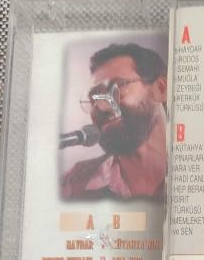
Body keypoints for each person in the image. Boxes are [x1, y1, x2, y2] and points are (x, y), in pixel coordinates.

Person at [61, 43, 167, 199]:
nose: (101, 106)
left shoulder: (196, 167)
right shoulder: (71, 185)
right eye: (94, 98)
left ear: (160, 89)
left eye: (118, 87)